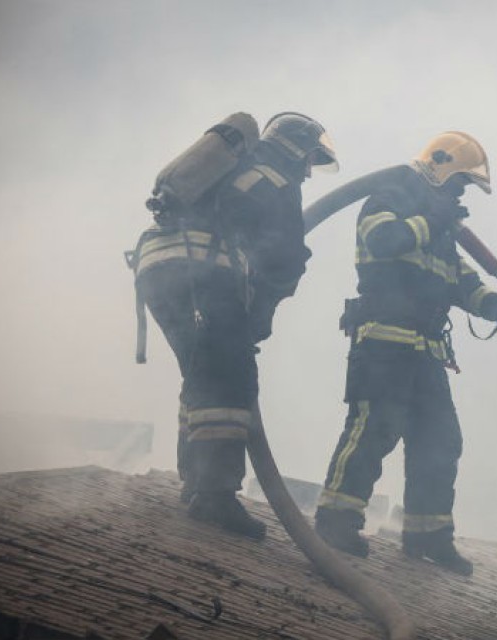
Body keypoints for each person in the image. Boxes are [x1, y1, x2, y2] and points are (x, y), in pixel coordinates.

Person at [313, 131, 497, 575]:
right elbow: (383, 241)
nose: (460, 194)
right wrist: (432, 218)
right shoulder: (387, 198)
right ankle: (335, 522)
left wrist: (495, 308)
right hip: (383, 343)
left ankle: (428, 536)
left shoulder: (440, 227)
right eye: (459, 184)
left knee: (440, 441)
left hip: (426, 354)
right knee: (373, 431)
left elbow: (461, 277)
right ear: (441, 167)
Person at [132, 112, 338, 539]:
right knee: (231, 380)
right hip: (201, 270)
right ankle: (214, 495)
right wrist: (261, 313)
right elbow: (286, 257)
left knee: (202, 374)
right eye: (310, 161)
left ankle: (196, 482)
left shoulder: (233, 167)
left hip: (156, 267)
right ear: (297, 149)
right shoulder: (278, 180)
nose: (308, 172)